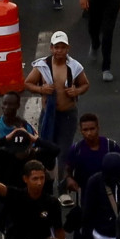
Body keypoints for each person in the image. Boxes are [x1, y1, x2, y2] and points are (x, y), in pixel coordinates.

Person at [25, 32, 89, 168]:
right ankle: (46, 182)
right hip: (48, 114)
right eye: (56, 47)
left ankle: (62, 184)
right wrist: (42, 90)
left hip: (67, 115)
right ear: (51, 48)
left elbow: (85, 84)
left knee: (64, 152)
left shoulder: (75, 67)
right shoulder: (42, 66)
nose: (59, 50)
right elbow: (28, 83)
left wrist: (76, 91)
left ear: (68, 49)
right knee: (45, 149)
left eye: (62, 47)